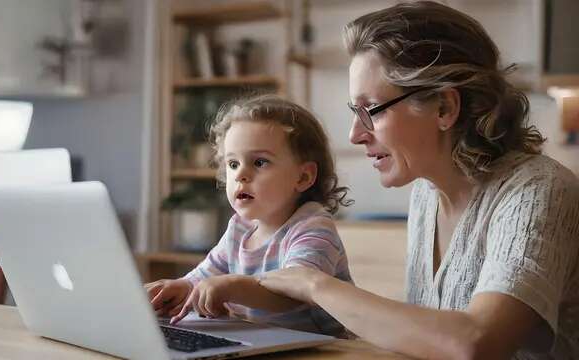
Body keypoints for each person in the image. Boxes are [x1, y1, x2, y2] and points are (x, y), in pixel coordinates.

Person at [258, 1, 579, 359]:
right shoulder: (426, 195)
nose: (354, 134)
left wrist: (315, 285)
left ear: (444, 107)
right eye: (355, 112)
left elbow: (477, 342)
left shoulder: (538, 190)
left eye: (371, 111)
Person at [145, 95, 354, 336]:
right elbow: (206, 274)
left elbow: (298, 291)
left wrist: (234, 286)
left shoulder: (313, 226)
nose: (241, 175)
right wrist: (182, 287)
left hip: (324, 349)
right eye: (233, 164)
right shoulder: (239, 228)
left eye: (260, 162)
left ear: (303, 177)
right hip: (263, 342)